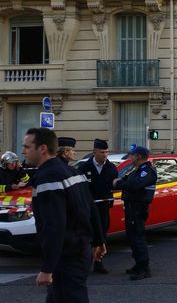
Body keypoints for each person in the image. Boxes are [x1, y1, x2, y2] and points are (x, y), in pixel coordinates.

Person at [23, 128, 105, 302]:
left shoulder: (48, 177)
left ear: (42, 148)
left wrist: (47, 268)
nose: (23, 151)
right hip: (80, 250)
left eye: (27, 147)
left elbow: (54, 226)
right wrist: (98, 241)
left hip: (66, 257)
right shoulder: (72, 171)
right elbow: (90, 208)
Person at [113, 146, 157, 280]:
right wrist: (122, 182)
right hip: (132, 207)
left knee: (138, 238)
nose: (130, 158)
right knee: (132, 237)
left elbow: (133, 185)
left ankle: (144, 268)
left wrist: (118, 183)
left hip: (138, 208)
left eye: (132, 155)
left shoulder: (147, 171)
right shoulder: (137, 170)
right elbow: (128, 181)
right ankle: (138, 264)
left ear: (138, 156)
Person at [78, 139, 118, 274]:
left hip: (103, 207)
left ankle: (99, 262)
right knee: (87, 235)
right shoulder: (84, 168)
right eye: (102, 152)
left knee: (102, 234)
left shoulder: (111, 168)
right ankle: (85, 262)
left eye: (106, 152)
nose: (105, 155)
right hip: (87, 207)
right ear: (94, 151)